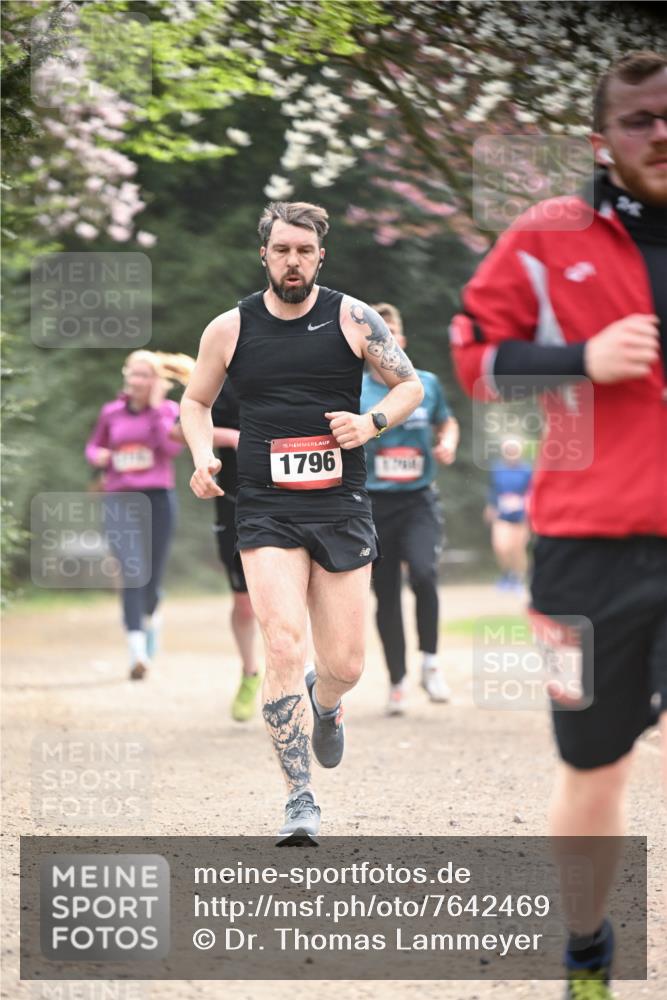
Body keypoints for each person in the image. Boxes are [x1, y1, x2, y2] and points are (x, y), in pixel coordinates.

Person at [450, 50, 667, 999]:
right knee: (594, 767)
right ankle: (585, 948)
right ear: (600, 139)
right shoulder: (548, 235)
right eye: (639, 119)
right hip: (586, 549)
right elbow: (472, 358)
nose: (659, 132)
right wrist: (582, 357)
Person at [180, 201, 424, 844]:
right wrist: (202, 455)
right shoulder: (229, 328)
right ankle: (299, 797)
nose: (294, 261)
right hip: (264, 505)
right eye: (283, 250)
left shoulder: (354, 318)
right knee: (285, 644)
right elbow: (196, 401)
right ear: (264, 254)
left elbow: (409, 386)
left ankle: (327, 701)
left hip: (340, 503)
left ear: (321, 257)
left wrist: (371, 423)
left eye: (305, 251)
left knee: (346, 663)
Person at [360, 302, 459, 715]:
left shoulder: (426, 384)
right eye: (376, 339)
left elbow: (446, 421)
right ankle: (397, 681)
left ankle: (430, 664)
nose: (385, 344)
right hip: (373, 503)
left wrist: (447, 442)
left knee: (424, 572)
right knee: (385, 593)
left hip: (418, 499)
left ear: (401, 340)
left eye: (391, 336)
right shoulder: (356, 390)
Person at [85, 351, 192, 679]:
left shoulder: (169, 411)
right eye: (133, 373)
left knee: (152, 578)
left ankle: (151, 620)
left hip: (158, 499)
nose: (137, 380)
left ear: (156, 381)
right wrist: (99, 456)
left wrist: (158, 409)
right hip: (119, 499)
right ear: (126, 376)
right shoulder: (111, 412)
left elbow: (171, 448)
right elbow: (92, 446)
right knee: (132, 571)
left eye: (145, 375)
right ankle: (137, 651)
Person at [484, 435, 532, 591]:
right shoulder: (497, 469)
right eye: (508, 449)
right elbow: (493, 489)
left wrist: (525, 505)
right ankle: (507, 575)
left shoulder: (527, 470)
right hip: (502, 513)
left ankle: (518, 578)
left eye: (514, 449)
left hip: (521, 514)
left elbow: (532, 491)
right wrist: (490, 506)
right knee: (501, 547)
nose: (511, 452)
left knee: (518, 548)